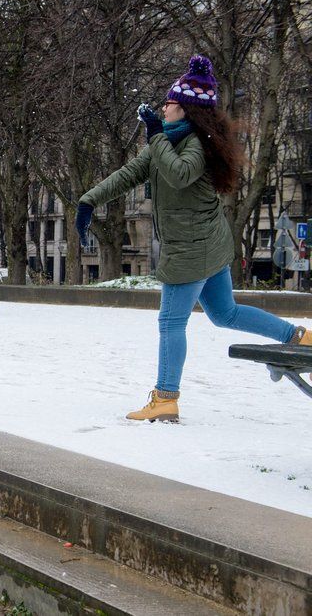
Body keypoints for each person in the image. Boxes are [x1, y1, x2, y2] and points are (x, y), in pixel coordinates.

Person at [75, 55, 310, 423]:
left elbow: (180, 174)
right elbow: (130, 173)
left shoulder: (196, 146)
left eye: (168, 102)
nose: (162, 107)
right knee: (225, 313)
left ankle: (166, 397)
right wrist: (89, 199)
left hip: (193, 248)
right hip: (207, 244)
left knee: (170, 323)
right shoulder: (164, 141)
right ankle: (296, 336)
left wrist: (154, 138)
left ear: (184, 110)